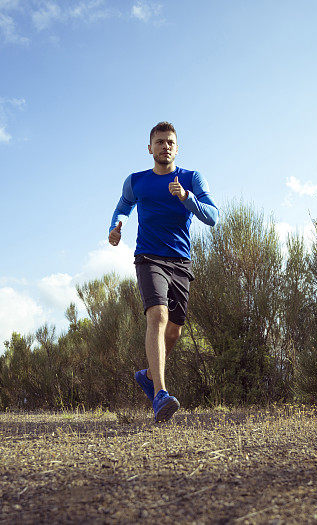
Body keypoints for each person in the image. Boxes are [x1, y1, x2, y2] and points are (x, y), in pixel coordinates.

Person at [108, 122, 219, 422]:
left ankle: (147, 375)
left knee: (175, 330)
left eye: (170, 142)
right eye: (159, 142)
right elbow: (122, 208)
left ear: (176, 148)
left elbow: (213, 217)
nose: (165, 146)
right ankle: (160, 395)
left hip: (181, 262)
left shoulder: (191, 178)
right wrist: (116, 227)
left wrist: (186, 197)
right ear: (150, 148)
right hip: (148, 258)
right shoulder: (136, 181)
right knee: (158, 316)